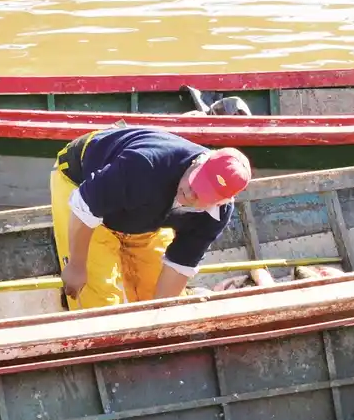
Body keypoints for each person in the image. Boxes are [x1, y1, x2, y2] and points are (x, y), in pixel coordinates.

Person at [49, 127, 251, 310]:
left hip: (146, 212)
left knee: (160, 298)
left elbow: (179, 266)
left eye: (202, 196)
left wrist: (158, 321)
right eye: (193, 182)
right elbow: (84, 205)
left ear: (220, 203)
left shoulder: (216, 215)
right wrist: (76, 266)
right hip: (82, 186)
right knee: (98, 300)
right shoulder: (145, 163)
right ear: (198, 162)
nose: (190, 195)